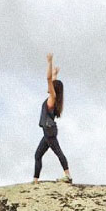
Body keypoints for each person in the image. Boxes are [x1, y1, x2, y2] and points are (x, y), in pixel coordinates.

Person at [33, 53, 71, 183]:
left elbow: (49, 79)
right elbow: (52, 81)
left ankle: (67, 175)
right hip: (48, 130)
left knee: (58, 152)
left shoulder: (52, 99)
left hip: (49, 131)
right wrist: (56, 74)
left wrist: (49, 62)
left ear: (54, 90)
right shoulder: (55, 100)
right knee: (38, 155)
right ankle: (35, 180)